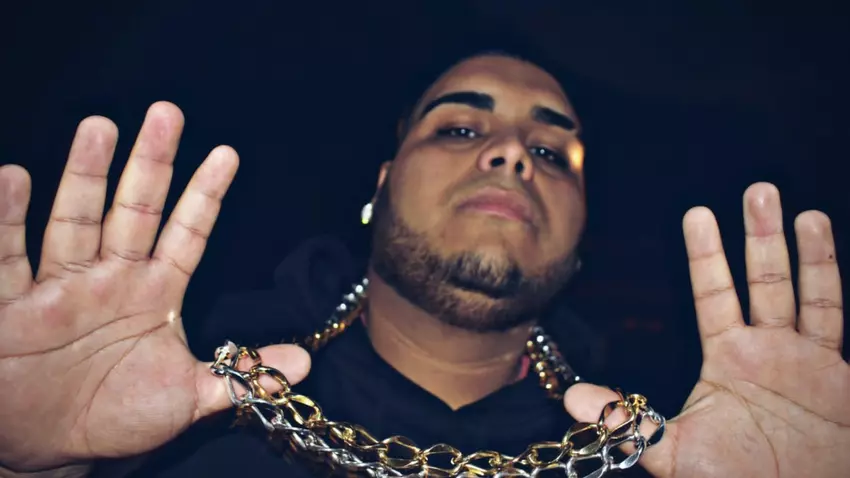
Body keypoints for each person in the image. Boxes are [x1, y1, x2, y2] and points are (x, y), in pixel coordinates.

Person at [0, 49, 847, 478]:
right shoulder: (180, 384)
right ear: (381, 183)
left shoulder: (675, 445)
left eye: (552, 153)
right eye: (462, 128)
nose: (511, 154)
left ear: (581, 235)